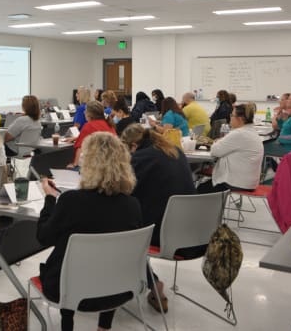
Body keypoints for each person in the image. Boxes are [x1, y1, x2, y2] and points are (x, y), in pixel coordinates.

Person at [37, 132, 142, 331]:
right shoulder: (132, 205)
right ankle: (104, 326)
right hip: (118, 289)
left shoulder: (71, 201)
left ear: (89, 164)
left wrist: (50, 198)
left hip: (67, 290)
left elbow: (43, 237)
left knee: (67, 259)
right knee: (106, 257)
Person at [120, 123, 196, 313]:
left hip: (163, 233)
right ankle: (148, 280)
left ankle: (150, 281)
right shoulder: (175, 151)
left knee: (117, 227)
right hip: (191, 231)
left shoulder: (140, 159)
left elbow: (122, 192)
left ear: (133, 146)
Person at [197, 103, 264, 193]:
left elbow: (214, 151)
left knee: (200, 189)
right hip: (248, 182)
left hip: (237, 183)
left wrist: (218, 142)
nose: (230, 118)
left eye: (232, 115)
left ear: (240, 119)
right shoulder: (250, 131)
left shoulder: (239, 133)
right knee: (204, 186)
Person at [68, 101, 116, 168]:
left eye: (85, 110)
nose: (84, 112)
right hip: (111, 162)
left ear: (90, 114)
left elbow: (80, 147)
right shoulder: (109, 124)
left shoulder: (89, 125)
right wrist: (77, 138)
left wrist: (74, 164)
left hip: (97, 165)